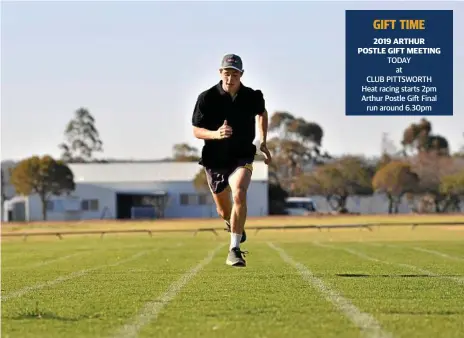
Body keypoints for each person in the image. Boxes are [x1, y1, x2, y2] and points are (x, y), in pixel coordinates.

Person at [191, 53, 272, 267]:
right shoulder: (206, 98)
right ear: (220, 73)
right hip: (215, 159)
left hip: (242, 155)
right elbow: (196, 130)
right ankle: (232, 223)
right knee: (224, 211)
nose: (230, 78)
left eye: (234, 74)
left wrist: (263, 141)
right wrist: (216, 134)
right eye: (226, 73)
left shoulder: (252, 96)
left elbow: (262, 113)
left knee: (239, 193)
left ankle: (234, 249)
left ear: (241, 75)